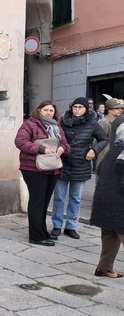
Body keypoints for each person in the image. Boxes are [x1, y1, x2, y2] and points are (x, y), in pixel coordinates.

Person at [14, 100, 70, 246]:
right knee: (37, 201)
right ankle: (36, 236)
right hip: (33, 168)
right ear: (39, 110)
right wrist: (42, 149)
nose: (49, 113)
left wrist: (63, 148)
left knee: (44, 202)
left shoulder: (56, 126)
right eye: (46, 110)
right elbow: (20, 142)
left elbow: (66, 144)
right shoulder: (30, 124)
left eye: (51, 110)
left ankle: (43, 231)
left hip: (53, 168)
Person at [50, 97, 107, 239]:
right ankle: (57, 225)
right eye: (75, 107)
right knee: (59, 197)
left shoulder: (92, 123)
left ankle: (71, 226)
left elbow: (104, 139)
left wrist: (94, 150)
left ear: (86, 109)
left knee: (75, 198)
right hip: (63, 163)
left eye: (80, 107)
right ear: (71, 108)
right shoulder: (63, 121)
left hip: (81, 164)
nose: (77, 110)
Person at [90, 124, 124, 279]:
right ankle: (104, 268)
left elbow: (100, 168)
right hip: (118, 200)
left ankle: (104, 268)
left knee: (109, 233)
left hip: (105, 197)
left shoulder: (115, 149)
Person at [96, 97, 124, 172]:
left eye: (121, 108)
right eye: (117, 108)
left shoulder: (118, 121)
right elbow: (98, 141)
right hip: (105, 156)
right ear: (109, 110)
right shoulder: (104, 122)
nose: (120, 110)